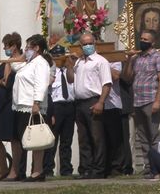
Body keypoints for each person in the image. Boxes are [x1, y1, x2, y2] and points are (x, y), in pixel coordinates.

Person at [4, 34, 51, 182]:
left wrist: (36, 102)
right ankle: (18, 171)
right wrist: (23, 55)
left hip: (32, 106)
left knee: (36, 139)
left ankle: (37, 171)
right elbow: (15, 65)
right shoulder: (29, 62)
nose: (26, 50)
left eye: (28, 47)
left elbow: (41, 84)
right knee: (19, 138)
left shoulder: (41, 63)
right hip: (20, 106)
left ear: (37, 48)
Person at [65, 33, 112, 179]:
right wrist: (70, 67)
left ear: (95, 43)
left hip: (93, 100)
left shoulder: (100, 61)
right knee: (83, 137)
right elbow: (71, 79)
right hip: (79, 102)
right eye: (84, 44)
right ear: (80, 46)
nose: (87, 46)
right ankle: (86, 168)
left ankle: (99, 169)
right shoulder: (79, 62)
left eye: (90, 43)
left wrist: (101, 102)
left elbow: (106, 83)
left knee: (96, 137)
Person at [123, 29, 160, 175]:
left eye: (146, 39)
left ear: (153, 42)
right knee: (142, 136)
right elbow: (128, 77)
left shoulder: (158, 57)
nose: (142, 41)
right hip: (137, 101)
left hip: (151, 99)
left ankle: (157, 166)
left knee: (153, 135)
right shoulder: (137, 58)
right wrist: (129, 59)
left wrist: (158, 100)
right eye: (141, 38)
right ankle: (148, 166)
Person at [0, 33, 21, 181]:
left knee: (14, 138)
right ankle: (3, 169)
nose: (4, 49)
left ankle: (15, 170)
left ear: (14, 46)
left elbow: (8, 82)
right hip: (0, 106)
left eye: (6, 46)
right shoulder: (4, 63)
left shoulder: (19, 62)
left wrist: (2, 81)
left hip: (12, 106)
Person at [43, 65, 76, 177]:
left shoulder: (70, 71)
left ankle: (66, 169)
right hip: (56, 107)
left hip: (70, 105)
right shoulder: (51, 71)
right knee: (52, 140)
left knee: (67, 141)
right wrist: (51, 113)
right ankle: (48, 169)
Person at [103, 62, 128, 176]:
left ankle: (117, 167)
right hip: (95, 103)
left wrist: (102, 63)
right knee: (101, 139)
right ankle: (103, 167)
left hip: (113, 104)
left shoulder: (114, 60)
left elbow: (116, 76)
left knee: (115, 138)